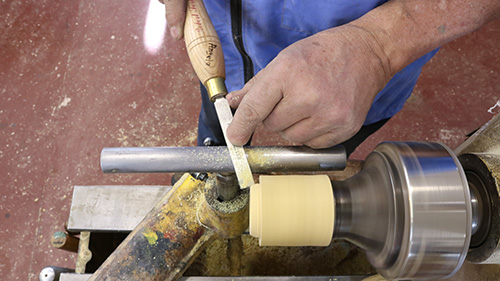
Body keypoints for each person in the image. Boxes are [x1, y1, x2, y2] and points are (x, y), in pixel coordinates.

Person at [161, 0, 500, 156]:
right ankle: (212, 160)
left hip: (352, 80)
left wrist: (377, 47)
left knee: (322, 157)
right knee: (221, 121)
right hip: (222, 55)